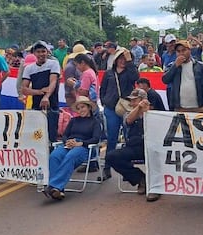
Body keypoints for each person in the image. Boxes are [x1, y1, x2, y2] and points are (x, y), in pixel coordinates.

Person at [105, 88, 161, 201]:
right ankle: (140, 178)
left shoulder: (155, 114)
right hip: (134, 146)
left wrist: (146, 110)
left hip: (152, 147)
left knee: (157, 158)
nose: (131, 103)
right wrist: (138, 108)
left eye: (134, 100)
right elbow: (129, 121)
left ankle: (155, 188)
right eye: (131, 100)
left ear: (143, 99)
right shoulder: (128, 113)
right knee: (111, 156)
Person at [43, 95, 102, 200]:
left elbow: (96, 139)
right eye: (78, 108)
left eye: (83, 107)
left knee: (71, 156)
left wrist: (81, 143)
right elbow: (65, 134)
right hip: (69, 144)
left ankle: (54, 186)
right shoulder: (74, 120)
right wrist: (68, 141)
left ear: (89, 107)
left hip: (86, 147)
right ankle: (58, 190)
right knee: (54, 156)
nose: (80, 110)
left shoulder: (95, 122)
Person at [99, 47, 139, 179]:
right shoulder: (109, 73)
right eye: (120, 58)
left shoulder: (129, 71)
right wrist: (105, 101)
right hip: (111, 108)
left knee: (129, 138)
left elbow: (136, 77)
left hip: (126, 108)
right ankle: (107, 167)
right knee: (112, 137)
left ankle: (127, 169)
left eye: (125, 58)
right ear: (116, 59)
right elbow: (103, 88)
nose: (122, 61)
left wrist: (129, 61)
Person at [21, 41, 61, 142]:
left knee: (51, 135)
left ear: (47, 52)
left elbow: (53, 82)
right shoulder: (29, 68)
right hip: (36, 105)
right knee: (37, 136)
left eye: (43, 51)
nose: (41, 54)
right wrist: (39, 92)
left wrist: (46, 97)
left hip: (52, 104)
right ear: (34, 53)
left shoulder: (54, 64)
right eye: (38, 52)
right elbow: (24, 89)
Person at [161, 39, 203, 112]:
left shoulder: (201, 66)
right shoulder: (171, 66)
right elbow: (165, 80)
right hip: (179, 108)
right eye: (178, 51)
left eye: (184, 50)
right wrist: (175, 66)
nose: (181, 53)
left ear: (189, 50)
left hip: (198, 107)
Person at [63, 44, 88, 108]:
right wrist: (79, 100)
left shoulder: (77, 65)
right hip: (73, 97)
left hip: (80, 95)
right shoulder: (70, 67)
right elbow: (70, 86)